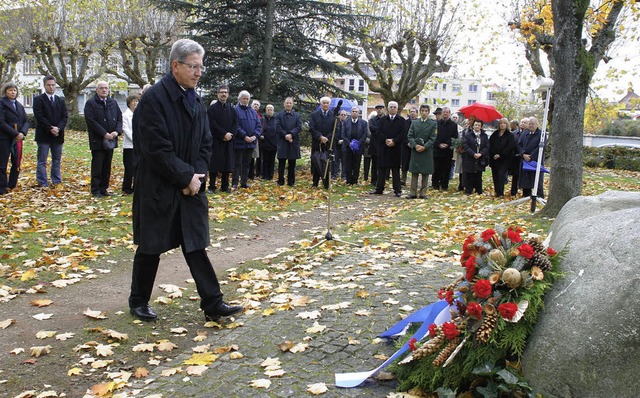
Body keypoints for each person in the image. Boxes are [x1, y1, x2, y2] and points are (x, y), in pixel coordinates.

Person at [129, 38, 242, 322]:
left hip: (192, 186)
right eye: (193, 66)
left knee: (195, 245)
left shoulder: (196, 99)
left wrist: (197, 177)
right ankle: (138, 301)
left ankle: (213, 303)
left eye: (201, 67)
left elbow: (205, 143)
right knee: (150, 246)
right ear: (175, 66)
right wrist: (184, 176)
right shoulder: (153, 99)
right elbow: (156, 148)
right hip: (158, 186)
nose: (198, 72)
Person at [84, 81, 122, 197]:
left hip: (111, 140)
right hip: (98, 140)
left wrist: (116, 131)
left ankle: (104, 188)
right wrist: (104, 133)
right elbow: (91, 121)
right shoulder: (91, 103)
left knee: (107, 166)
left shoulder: (113, 103)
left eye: (106, 88)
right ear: (97, 90)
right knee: (98, 165)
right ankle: (95, 190)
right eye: (101, 88)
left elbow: (119, 118)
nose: (104, 90)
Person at [33, 75, 68, 188]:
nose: (51, 87)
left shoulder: (60, 101)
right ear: (44, 86)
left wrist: (58, 128)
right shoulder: (38, 100)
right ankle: (42, 182)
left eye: (53, 85)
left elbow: (64, 117)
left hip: (58, 135)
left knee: (56, 160)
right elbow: (39, 116)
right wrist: (50, 128)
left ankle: (56, 180)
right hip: (44, 135)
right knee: (42, 160)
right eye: (49, 85)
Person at [370, 101, 406, 197]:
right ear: (387, 108)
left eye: (394, 107)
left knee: (395, 171)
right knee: (381, 169)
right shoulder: (382, 120)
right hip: (384, 147)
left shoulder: (402, 120)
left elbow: (403, 133)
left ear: (397, 109)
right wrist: (385, 140)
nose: (393, 108)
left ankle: (397, 190)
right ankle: (379, 189)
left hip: (396, 148)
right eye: (391, 107)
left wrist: (394, 141)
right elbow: (378, 132)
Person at [0, 81, 29, 194]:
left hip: (18, 138)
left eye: (15, 90)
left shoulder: (19, 105)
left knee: (16, 162)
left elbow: (26, 121)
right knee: (2, 163)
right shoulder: (2, 104)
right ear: (5, 91)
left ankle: (12, 184)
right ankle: (2, 187)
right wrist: (15, 133)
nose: (13, 92)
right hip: (4, 138)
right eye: (10, 90)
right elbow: (1, 122)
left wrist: (22, 133)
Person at [207, 85, 237, 193]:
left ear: (228, 94)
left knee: (227, 164)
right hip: (216, 140)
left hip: (228, 141)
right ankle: (212, 186)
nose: (224, 94)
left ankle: (225, 186)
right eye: (221, 92)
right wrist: (223, 134)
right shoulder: (212, 109)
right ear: (218, 94)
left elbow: (235, 123)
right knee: (214, 164)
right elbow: (212, 124)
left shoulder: (232, 109)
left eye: (225, 92)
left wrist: (230, 134)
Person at [406, 104, 437, 199]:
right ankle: (413, 192)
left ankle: (423, 192)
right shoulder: (414, 123)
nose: (424, 112)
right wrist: (415, 145)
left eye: (426, 111)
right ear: (420, 111)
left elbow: (433, 138)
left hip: (426, 151)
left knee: (425, 172)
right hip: (416, 150)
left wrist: (425, 146)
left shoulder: (433, 124)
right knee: (414, 172)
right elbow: (410, 136)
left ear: (428, 112)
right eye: (422, 110)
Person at [233, 91, 261, 189]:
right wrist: (244, 136)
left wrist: (255, 136)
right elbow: (235, 125)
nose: (245, 100)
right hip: (239, 142)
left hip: (250, 143)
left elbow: (258, 125)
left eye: (247, 99)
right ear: (240, 99)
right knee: (237, 164)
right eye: (243, 98)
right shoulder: (235, 110)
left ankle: (244, 182)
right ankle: (235, 183)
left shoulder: (252, 111)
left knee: (246, 163)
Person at [308, 97, 335, 189]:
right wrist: (320, 137)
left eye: (327, 103)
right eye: (324, 103)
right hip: (317, 143)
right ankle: (315, 183)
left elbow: (336, 129)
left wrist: (327, 138)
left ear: (329, 104)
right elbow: (311, 128)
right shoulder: (314, 115)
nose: (325, 104)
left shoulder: (333, 115)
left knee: (327, 163)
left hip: (328, 143)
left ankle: (327, 183)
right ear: (321, 104)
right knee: (316, 162)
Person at [274, 97, 302, 186]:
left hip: (293, 141)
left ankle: (291, 182)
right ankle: (280, 181)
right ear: (284, 104)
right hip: (282, 141)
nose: (288, 104)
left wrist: (291, 134)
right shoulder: (279, 115)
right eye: (287, 103)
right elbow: (277, 127)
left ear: (292, 104)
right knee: (281, 163)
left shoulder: (297, 115)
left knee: (292, 164)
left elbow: (299, 127)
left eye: (290, 103)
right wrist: (285, 135)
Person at [339, 106, 368, 185]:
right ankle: (349, 181)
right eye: (353, 111)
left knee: (356, 164)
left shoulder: (364, 123)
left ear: (359, 113)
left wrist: (358, 143)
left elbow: (365, 135)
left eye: (356, 112)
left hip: (358, 147)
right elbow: (343, 134)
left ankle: (355, 181)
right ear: (351, 113)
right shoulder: (346, 122)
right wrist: (349, 143)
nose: (354, 113)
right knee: (348, 164)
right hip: (348, 147)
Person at [518, 117, 546, 198]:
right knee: (525, 179)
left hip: (536, 160)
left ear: (537, 125)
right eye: (529, 124)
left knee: (537, 179)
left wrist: (531, 156)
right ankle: (526, 195)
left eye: (532, 124)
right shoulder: (524, 134)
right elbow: (519, 145)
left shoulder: (541, 134)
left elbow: (541, 147)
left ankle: (539, 196)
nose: (530, 125)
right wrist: (523, 154)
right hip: (525, 159)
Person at [489, 118, 517, 197]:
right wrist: (494, 153)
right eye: (501, 123)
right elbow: (490, 144)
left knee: (501, 175)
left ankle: (500, 192)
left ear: (507, 124)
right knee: (495, 175)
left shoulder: (510, 135)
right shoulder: (495, 134)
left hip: (504, 159)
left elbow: (510, 147)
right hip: (494, 159)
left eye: (504, 123)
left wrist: (500, 154)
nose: (502, 124)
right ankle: (497, 191)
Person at [433, 107, 458, 190]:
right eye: (444, 112)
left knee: (446, 169)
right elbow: (433, 136)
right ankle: (435, 184)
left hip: (448, 151)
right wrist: (439, 144)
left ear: (449, 113)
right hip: (437, 149)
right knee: (436, 168)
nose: (445, 113)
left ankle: (444, 185)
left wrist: (447, 144)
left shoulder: (454, 125)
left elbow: (455, 137)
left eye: (447, 112)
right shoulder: (436, 123)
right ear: (441, 113)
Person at [461, 119, 489, 195]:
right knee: (470, 174)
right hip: (470, 158)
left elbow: (487, 146)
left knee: (478, 174)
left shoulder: (484, 135)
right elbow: (465, 145)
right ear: (473, 126)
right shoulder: (468, 135)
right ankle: (468, 190)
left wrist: (481, 153)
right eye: (476, 125)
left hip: (480, 158)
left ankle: (478, 190)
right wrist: (473, 154)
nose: (477, 126)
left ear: (481, 127)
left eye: (479, 125)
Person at [121, 94, 139, 194]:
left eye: (137, 101)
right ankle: (126, 188)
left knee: (138, 167)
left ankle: (136, 186)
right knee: (129, 168)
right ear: (129, 103)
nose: (135, 103)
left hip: (138, 146)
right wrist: (135, 139)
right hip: (129, 145)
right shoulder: (125, 115)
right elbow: (126, 129)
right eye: (133, 101)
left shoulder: (140, 114)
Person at [366, 104, 385, 185]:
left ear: (383, 109)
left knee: (383, 165)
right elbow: (372, 129)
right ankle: (374, 181)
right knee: (374, 164)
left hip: (384, 145)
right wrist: (381, 130)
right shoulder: (372, 119)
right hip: (374, 145)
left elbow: (388, 129)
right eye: (378, 109)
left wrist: (379, 130)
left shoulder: (386, 119)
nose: (379, 110)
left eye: (381, 108)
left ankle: (382, 180)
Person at [509, 117, 529, 197]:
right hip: (515, 158)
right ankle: (513, 192)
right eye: (522, 122)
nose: (523, 124)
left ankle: (526, 193)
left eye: (525, 122)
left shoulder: (529, 134)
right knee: (515, 176)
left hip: (525, 158)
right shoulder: (514, 134)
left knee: (525, 176)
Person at [260, 104, 277, 180]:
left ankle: (270, 176)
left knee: (272, 160)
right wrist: (260, 135)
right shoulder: (262, 119)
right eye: (268, 109)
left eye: (271, 109)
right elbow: (258, 128)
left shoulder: (276, 120)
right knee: (265, 160)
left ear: (273, 111)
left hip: (273, 144)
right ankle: (264, 175)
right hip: (264, 143)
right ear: (266, 110)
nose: (269, 111)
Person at [401, 107, 418, 185]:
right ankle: (403, 179)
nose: (412, 113)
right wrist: (407, 142)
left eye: (414, 111)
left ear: (417, 113)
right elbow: (403, 133)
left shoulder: (419, 122)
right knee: (405, 163)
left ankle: (414, 181)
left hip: (416, 146)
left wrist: (414, 143)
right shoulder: (405, 122)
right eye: (411, 111)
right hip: (406, 146)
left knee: (415, 163)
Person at [249, 99, 262, 180]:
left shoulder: (260, 116)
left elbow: (259, 127)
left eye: (257, 105)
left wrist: (255, 135)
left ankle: (252, 175)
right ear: (251, 105)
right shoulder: (248, 113)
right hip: (246, 138)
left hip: (255, 138)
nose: (256, 106)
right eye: (254, 104)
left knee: (254, 157)